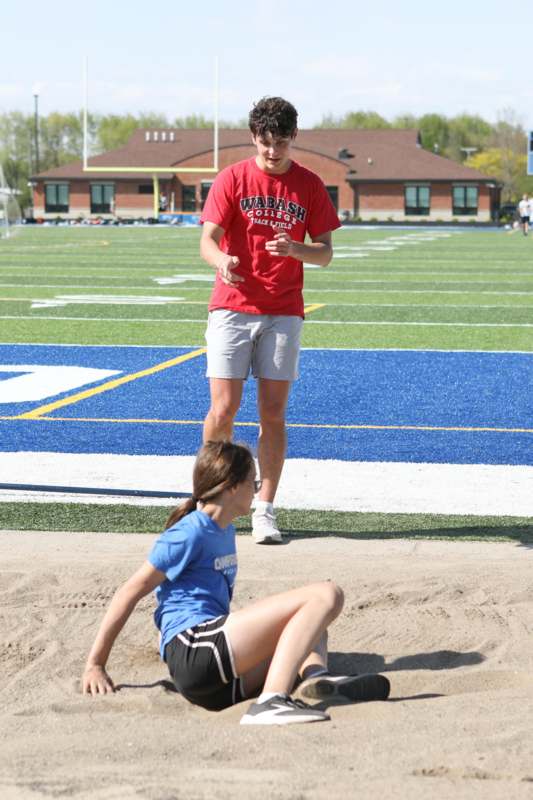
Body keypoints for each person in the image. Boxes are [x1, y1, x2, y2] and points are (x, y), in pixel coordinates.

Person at [82, 441, 390, 726]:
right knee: (326, 594)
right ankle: (271, 701)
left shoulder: (224, 529)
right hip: (194, 649)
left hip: (218, 685)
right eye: (253, 482)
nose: (257, 490)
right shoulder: (189, 533)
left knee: (311, 624)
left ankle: (316, 681)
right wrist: (95, 664)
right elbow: (129, 592)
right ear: (230, 487)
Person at [200, 97, 341, 545]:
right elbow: (206, 240)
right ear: (253, 138)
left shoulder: (310, 185)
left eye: (280, 142)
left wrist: (297, 250)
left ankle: (264, 508)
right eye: (265, 143)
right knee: (223, 410)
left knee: (273, 414)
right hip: (232, 306)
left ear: (293, 137)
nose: (273, 151)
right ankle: (209, 500)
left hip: (283, 310)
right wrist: (221, 260)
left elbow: (326, 253)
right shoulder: (232, 178)